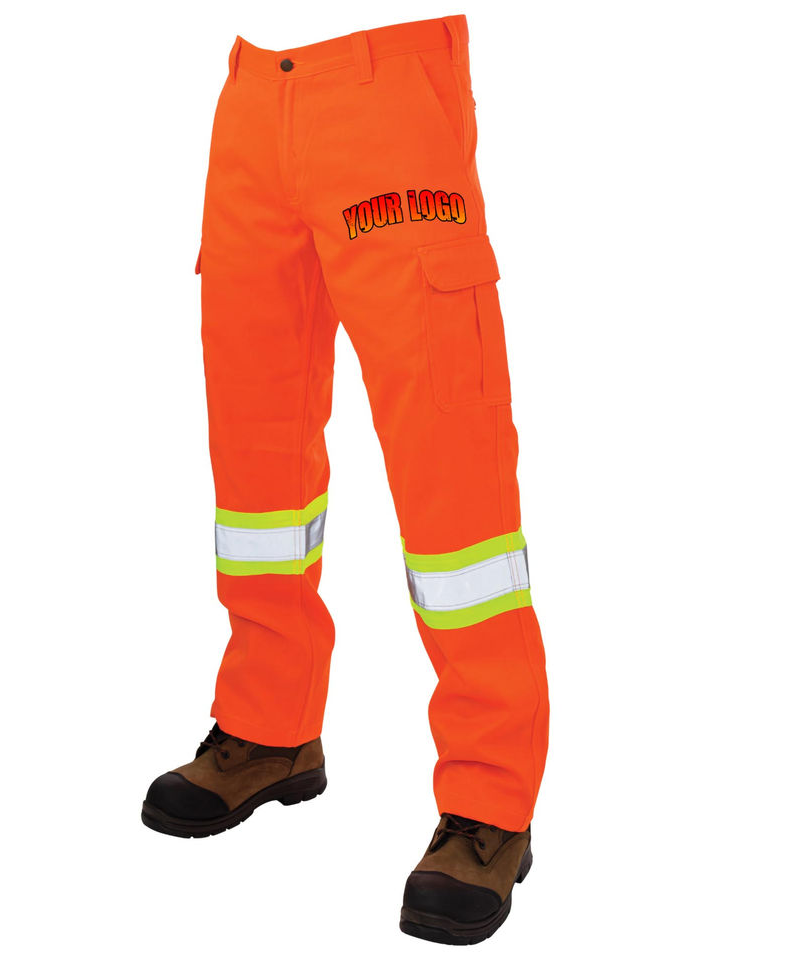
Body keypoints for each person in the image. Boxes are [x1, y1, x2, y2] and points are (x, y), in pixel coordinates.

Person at [142, 15, 549, 945]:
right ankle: (269, 723)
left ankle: (491, 800)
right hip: (252, 92)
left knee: (450, 465)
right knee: (257, 446)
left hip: (389, 88)